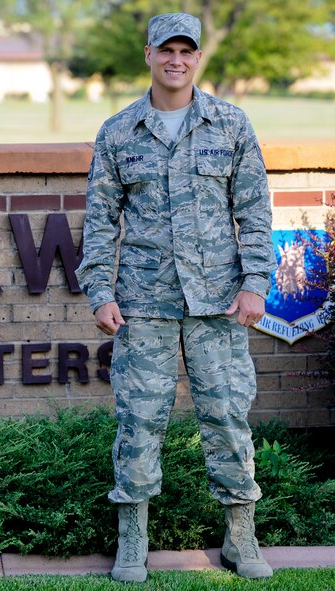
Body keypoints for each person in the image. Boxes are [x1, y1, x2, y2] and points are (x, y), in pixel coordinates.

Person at [76, 12, 277, 582]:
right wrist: (99, 292)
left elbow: (255, 213)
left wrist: (255, 284)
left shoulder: (230, 124)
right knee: (138, 422)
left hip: (219, 304)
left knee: (227, 417)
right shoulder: (118, 132)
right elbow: (98, 223)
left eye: (187, 51)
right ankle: (132, 543)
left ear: (197, 59)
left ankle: (241, 539)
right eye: (167, 50)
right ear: (148, 54)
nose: (177, 61)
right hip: (143, 304)